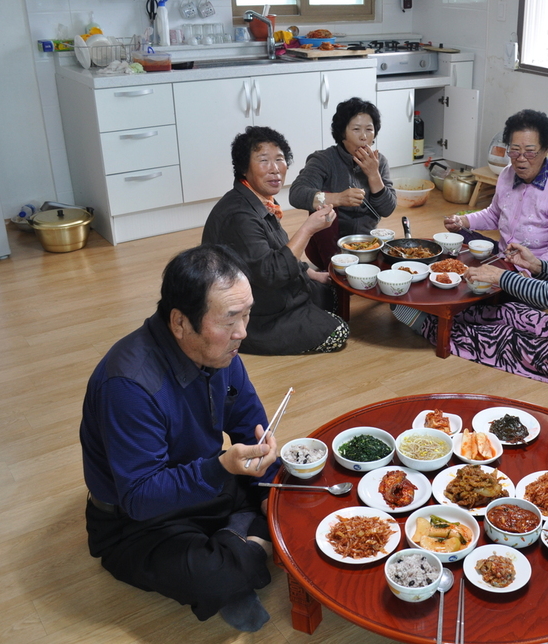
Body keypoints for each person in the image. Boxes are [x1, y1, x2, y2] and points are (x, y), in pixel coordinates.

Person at [80, 245, 281, 632]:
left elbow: (249, 422)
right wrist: (223, 468)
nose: (243, 332)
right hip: (135, 519)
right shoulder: (129, 384)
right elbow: (139, 497)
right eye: (230, 320)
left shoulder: (222, 352)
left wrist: (264, 462)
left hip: (203, 482)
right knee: (215, 577)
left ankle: (243, 539)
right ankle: (245, 542)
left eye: (247, 314)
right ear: (179, 322)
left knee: (292, 490)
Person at [399, 158, 548, 389]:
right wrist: (538, 265)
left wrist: (498, 276)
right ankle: (441, 316)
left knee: (500, 338)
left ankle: (427, 324)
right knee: (508, 311)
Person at [203, 126, 349, 355]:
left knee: (335, 295)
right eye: (263, 160)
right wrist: (308, 229)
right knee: (339, 331)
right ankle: (244, 338)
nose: (275, 169)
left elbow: (276, 250)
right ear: (244, 167)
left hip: (270, 288)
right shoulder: (239, 216)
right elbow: (271, 273)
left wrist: (312, 274)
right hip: (256, 310)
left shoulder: (258, 200)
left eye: (279, 159)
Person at [443, 109, 548, 262]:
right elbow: (495, 214)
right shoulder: (507, 173)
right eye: (514, 151)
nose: (520, 158)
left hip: (538, 269)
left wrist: (521, 279)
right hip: (505, 256)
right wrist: (463, 221)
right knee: (458, 236)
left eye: (530, 152)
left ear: (546, 149)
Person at [289, 97, 396, 269]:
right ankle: (331, 270)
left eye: (369, 129)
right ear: (342, 133)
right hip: (328, 247)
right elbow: (296, 194)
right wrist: (337, 198)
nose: (363, 136)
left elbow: (388, 209)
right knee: (324, 201)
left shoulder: (379, 162)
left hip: (366, 246)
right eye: (356, 129)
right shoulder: (323, 159)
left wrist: (374, 175)